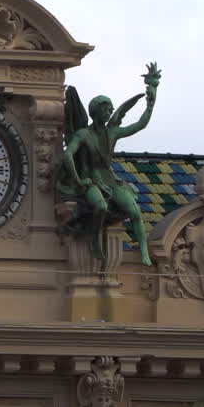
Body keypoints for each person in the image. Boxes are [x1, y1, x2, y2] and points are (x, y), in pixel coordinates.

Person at [59, 63, 161, 266]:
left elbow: (140, 124)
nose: (110, 113)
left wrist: (151, 100)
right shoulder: (83, 134)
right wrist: (79, 180)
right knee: (100, 207)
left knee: (134, 212)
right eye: (106, 110)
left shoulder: (112, 132)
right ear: (96, 112)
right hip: (91, 181)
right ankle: (94, 239)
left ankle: (143, 251)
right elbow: (68, 155)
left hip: (110, 181)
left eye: (111, 110)